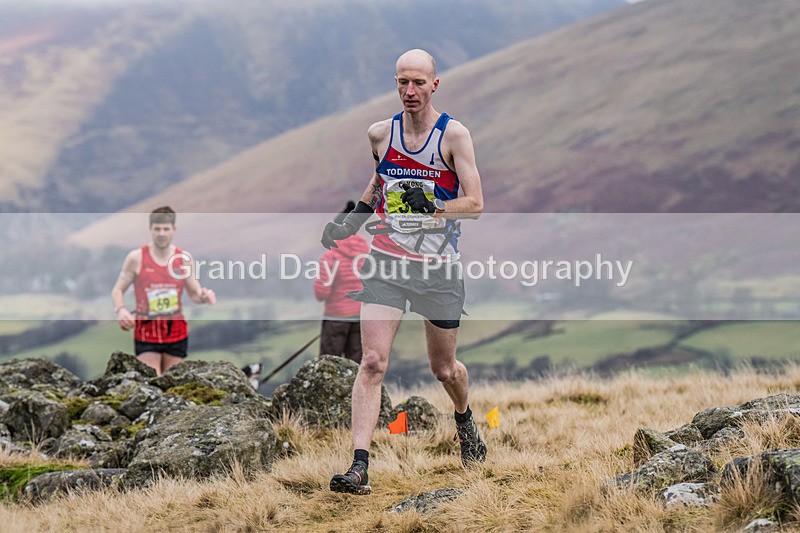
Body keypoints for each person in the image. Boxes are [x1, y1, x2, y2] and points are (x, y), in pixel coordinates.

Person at [321, 49, 486, 495]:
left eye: (418, 83)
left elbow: (475, 204)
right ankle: (359, 467)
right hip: (387, 262)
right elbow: (380, 183)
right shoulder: (380, 134)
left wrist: (432, 207)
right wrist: (349, 222)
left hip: (438, 270)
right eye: (402, 83)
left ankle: (465, 419)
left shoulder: (453, 136)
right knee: (372, 361)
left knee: (444, 369)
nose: (409, 92)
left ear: (435, 85)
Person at [111, 206, 216, 376]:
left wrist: (205, 296)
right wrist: (121, 310)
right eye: (157, 229)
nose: (161, 233)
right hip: (147, 332)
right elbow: (117, 291)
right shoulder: (136, 258)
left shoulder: (183, 259)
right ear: (150, 229)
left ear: (173, 230)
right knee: (152, 381)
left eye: (166, 229)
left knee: (172, 384)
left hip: (176, 331)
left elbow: (195, 293)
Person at [314, 201, 370, 363]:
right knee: (357, 365)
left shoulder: (330, 257)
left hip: (336, 318)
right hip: (360, 317)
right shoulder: (366, 254)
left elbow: (321, 292)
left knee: (329, 364)